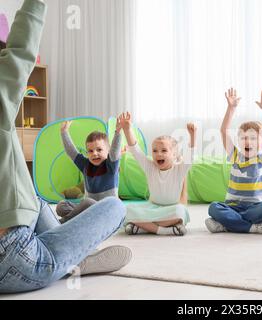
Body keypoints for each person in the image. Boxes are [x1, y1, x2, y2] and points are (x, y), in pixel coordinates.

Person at [0, 0, 131, 293]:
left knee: (35, 199)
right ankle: (71, 261)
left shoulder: (110, 163)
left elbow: (114, 150)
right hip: (17, 258)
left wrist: (120, 131)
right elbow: (20, 53)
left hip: (17, 242)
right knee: (114, 207)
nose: (97, 154)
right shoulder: (85, 162)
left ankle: (68, 257)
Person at [206, 88, 262, 234]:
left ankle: (227, 224)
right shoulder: (235, 156)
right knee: (214, 207)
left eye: (253, 138)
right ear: (238, 141)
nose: (248, 141)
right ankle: (253, 227)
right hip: (233, 206)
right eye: (243, 138)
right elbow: (223, 131)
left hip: (256, 206)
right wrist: (231, 108)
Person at [120, 112, 194, 236]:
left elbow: (190, 157)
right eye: (155, 151)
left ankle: (143, 227)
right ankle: (164, 230)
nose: (158, 154)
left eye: (164, 150)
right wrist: (127, 129)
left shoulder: (179, 170)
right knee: (126, 210)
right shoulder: (150, 167)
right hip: (152, 208)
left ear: (174, 154)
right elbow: (135, 150)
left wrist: (193, 135)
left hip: (171, 209)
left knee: (180, 211)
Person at [55, 119, 122, 223]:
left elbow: (115, 151)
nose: (94, 153)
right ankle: (81, 217)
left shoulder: (111, 165)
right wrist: (64, 132)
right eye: (90, 151)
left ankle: (62, 222)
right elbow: (71, 152)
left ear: (107, 151)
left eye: (99, 150)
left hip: (108, 211)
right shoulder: (85, 165)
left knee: (87, 202)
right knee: (61, 206)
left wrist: (117, 133)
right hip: (90, 209)